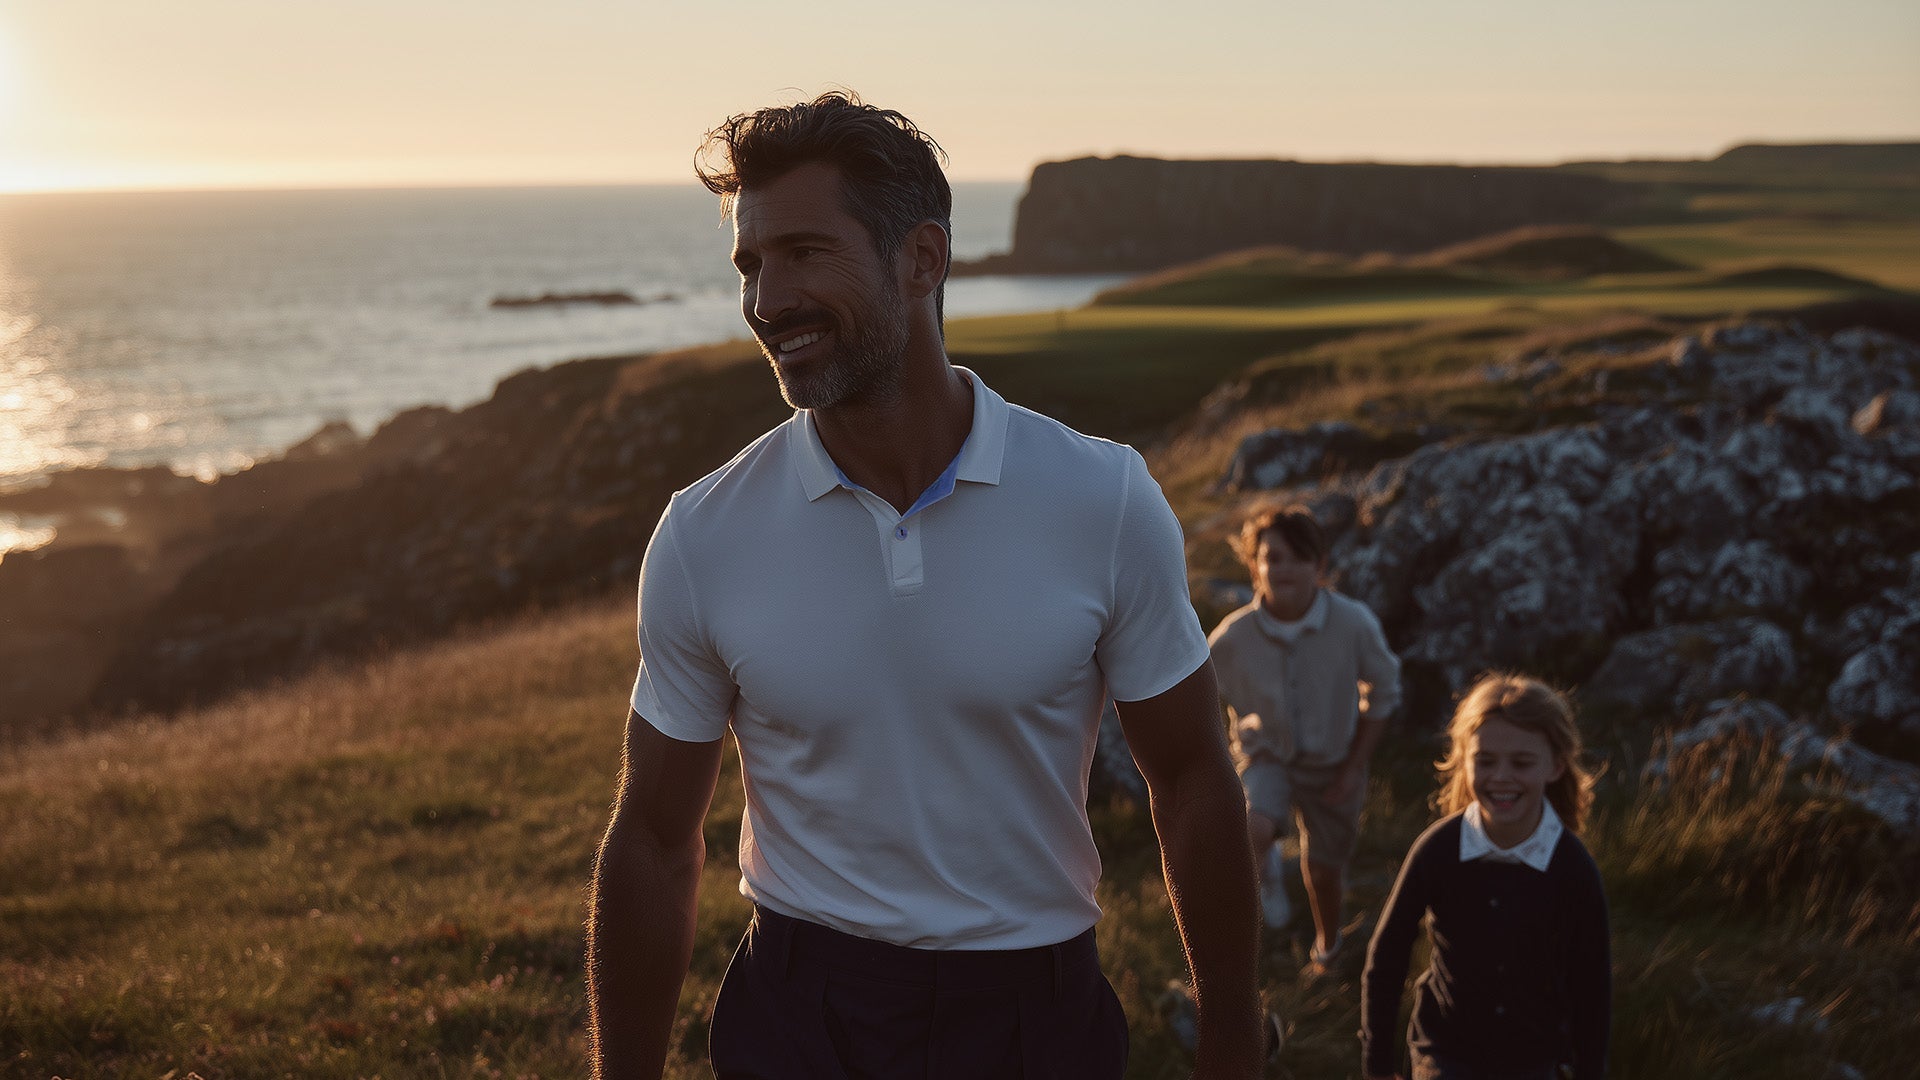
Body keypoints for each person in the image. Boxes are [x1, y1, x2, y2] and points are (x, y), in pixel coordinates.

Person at [585, 91, 1264, 1080]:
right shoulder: (704, 532)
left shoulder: (1102, 497)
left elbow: (1194, 780)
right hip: (798, 1021)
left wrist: (1233, 1042)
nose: (767, 300)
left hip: (1038, 1021)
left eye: (805, 252)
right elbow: (651, 837)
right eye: (751, 264)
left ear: (924, 260)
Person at [1360, 674, 1611, 1080]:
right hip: (1444, 1053)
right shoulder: (1438, 849)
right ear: (1464, 759)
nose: (1501, 777)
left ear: (1556, 765)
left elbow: (1592, 986)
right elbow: (1386, 957)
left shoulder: (1572, 868)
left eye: (1522, 762)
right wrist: (1377, 1067)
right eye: (1486, 760)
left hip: (1535, 1059)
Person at [1207, 504, 1401, 972]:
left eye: (1298, 557)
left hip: (1334, 763)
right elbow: (1197, 698)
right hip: (1266, 756)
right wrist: (1221, 756)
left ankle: (1326, 947)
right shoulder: (1232, 638)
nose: (1284, 569)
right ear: (1254, 565)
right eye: (1272, 557)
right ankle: (1254, 905)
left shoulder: (1353, 624)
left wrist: (1353, 768)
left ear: (1320, 565)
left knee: (1325, 870)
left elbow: (1385, 690)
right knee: (1251, 829)